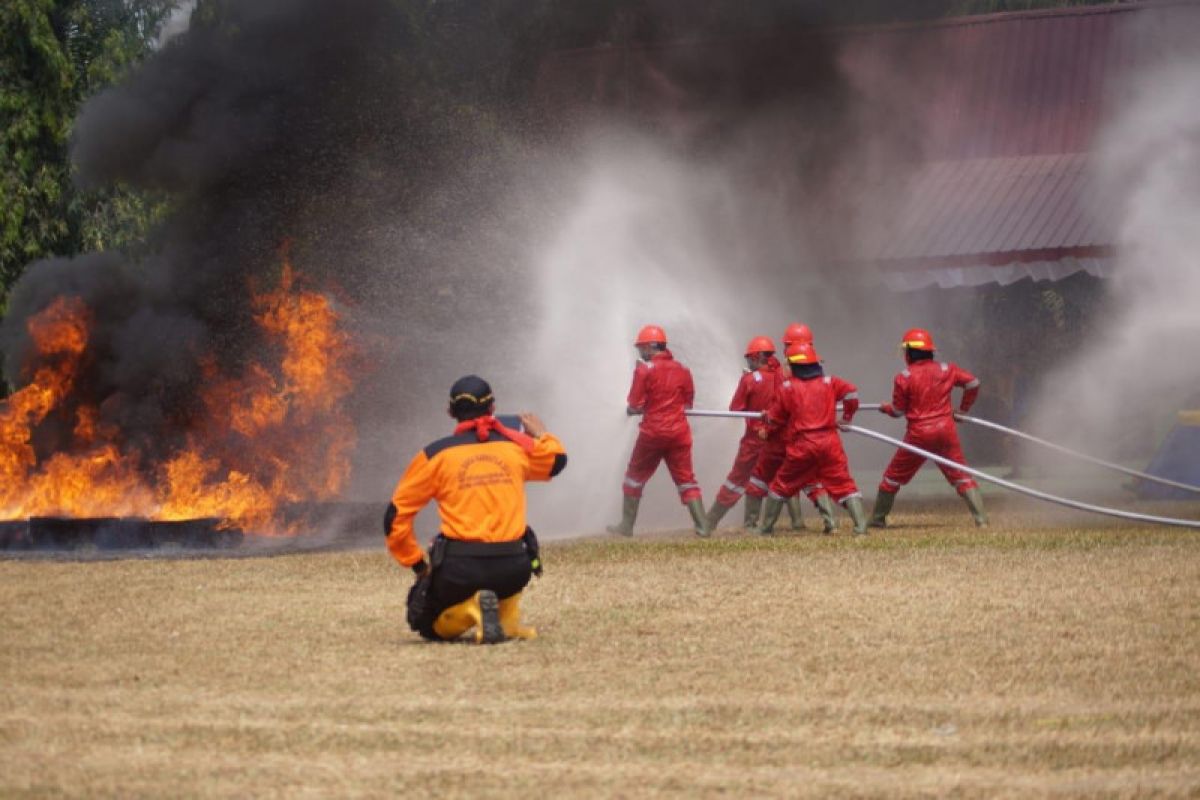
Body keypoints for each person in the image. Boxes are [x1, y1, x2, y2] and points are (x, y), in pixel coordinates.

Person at [385, 375, 567, 644]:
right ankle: (508, 620)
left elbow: (395, 517)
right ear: (492, 409)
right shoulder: (516, 449)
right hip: (514, 568)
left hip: (461, 569)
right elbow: (557, 461)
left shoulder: (435, 455)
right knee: (513, 542)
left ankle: (473, 609)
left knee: (424, 622)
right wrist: (541, 433)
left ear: (450, 412)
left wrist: (416, 563)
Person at [870, 327, 987, 528]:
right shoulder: (947, 369)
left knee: (892, 478)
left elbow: (898, 411)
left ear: (909, 353)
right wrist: (963, 409)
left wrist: (885, 408)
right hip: (945, 431)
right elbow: (973, 383)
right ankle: (981, 519)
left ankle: (878, 519)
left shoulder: (904, 377)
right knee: (961, 475)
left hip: (919, 435)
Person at [607, 324, 708, 537]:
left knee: (634, 477)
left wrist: (633, 409)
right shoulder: (683, 369)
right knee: (687, 479)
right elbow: (688, 404)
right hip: (680, 433)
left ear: (648, 348)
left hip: (652, 434)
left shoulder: (644, 369)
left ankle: (626, 526)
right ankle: (703, 527)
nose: (640, 353)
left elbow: (634, 403)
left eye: (640, 348)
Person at [758, 341, 868, 535]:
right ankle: (861, 527)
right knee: (844, 483)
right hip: (830, 443)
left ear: (794, 365)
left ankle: (765, 529)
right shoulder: (830, 383)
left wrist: (765, 420)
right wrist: (847, 418)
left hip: (803, 445)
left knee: (780, 485)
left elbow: (776, 418)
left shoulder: (787, 388)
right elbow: (852, 392)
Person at [743, 322, 837, 533]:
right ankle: (829, 521)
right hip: (806, 435)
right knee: (811, 479)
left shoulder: (783, 373)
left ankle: (752, 524)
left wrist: (768, 425)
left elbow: (779, 405)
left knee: (760, 478)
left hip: (781, 437)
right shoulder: (817, 369)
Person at [704, 336, 780, 530]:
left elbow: (735, 408)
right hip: (776, 439)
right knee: (777, 480)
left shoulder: (749, 380)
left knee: (736, 481)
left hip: (753, 440)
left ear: (755, 358)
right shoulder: (783, 377)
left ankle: (710, 521)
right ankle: (792, 523)